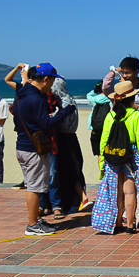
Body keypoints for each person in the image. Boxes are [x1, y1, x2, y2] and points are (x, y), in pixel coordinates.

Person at [13, 63, 77, 236]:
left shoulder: (21, 94)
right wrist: (66, 111)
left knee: (31, 185)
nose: (53, 85)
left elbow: (17, 120)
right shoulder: (37, 98)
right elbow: (47, 124)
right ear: (46, 79)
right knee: (34, 187)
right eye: (53, 80)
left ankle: (35, 219)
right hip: (34, 149)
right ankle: (33, 224)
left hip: (22, 145)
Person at [92, 80, 139, 234]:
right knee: (130, 192)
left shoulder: (111, 116)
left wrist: (101, 159)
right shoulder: (137, 116)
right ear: (132, 99)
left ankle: (117, 224)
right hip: (131, 155)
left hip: (112, 155)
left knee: (116, 192)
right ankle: (130, 225)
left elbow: (104, 140)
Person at [51, 78, 90, 214]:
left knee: (68, 170)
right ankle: (80, 198)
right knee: (75, 168)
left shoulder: (62, 102)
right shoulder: (71, 98)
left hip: (63, 138)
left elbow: (60, 121)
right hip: (72, 137)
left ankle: (77, 200)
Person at [87, 80, 111, 157]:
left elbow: (89, 95)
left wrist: (96, 89)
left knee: (99, 154)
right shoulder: (110, 99)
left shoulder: (94, 99)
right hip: (107, 128)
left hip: (95, 127)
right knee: (107, 152)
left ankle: (101, 168)